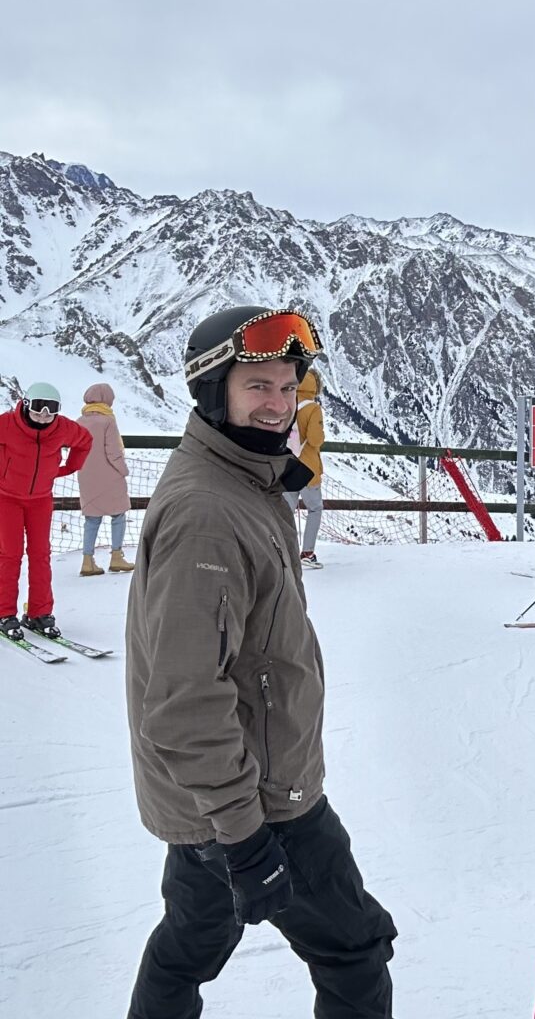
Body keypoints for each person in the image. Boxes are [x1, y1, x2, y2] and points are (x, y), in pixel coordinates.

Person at [125, 307, 396, 1018]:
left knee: (190, 941)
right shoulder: (209, 512)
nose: (277, 404)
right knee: (354, 951)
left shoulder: (243, 477)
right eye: (257, 387)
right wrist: (245, 838)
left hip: (211, 800)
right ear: (216, 392)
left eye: (288, 387)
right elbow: (185, 701)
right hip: (261, 801)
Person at [0, 381, 92, 641]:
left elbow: (85, 441)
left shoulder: (62, 428)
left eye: (51, 410)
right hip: (6, 499)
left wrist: (68, 468)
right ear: (27, 404)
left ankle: (40, 613)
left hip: (40, 500)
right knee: (10, 554)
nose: (44, 415)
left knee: (41, 555)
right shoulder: (6, 424)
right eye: (39, 408)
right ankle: (5, 612)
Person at [76, 382, 134, 576]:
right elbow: (113, 451)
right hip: (110, 475)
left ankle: (87, 560)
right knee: (118, 515)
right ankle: (116, 557)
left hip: (86, 475)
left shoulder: (80, 421)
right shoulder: (108, 420)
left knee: (92, 519)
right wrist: (123, 470)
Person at [283, 365, 326, 568]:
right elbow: (315, 440)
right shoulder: (313, 408)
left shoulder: (287, 403)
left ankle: (283, 552)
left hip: (288, 466)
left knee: (285, 512)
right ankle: (307, 553)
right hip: (307, 468)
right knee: (315, 509)